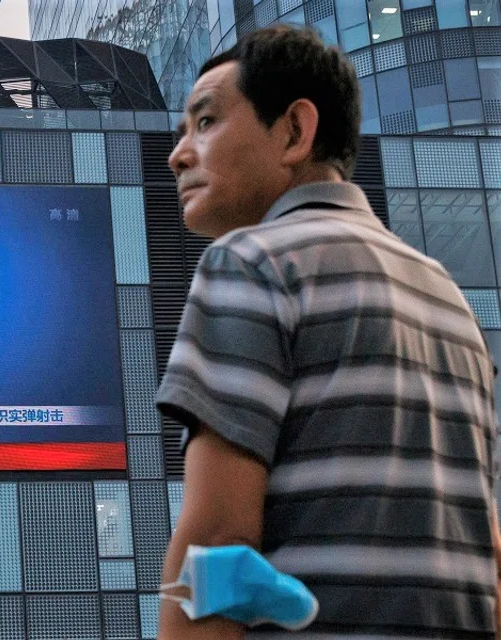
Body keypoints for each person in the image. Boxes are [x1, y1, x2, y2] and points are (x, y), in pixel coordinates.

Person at [155, 24, 501, 639]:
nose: (180, 153)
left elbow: (217, 544)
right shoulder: (450, 302)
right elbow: (486, 554)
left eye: (205, 122)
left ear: (295, 130)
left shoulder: (250, 264)